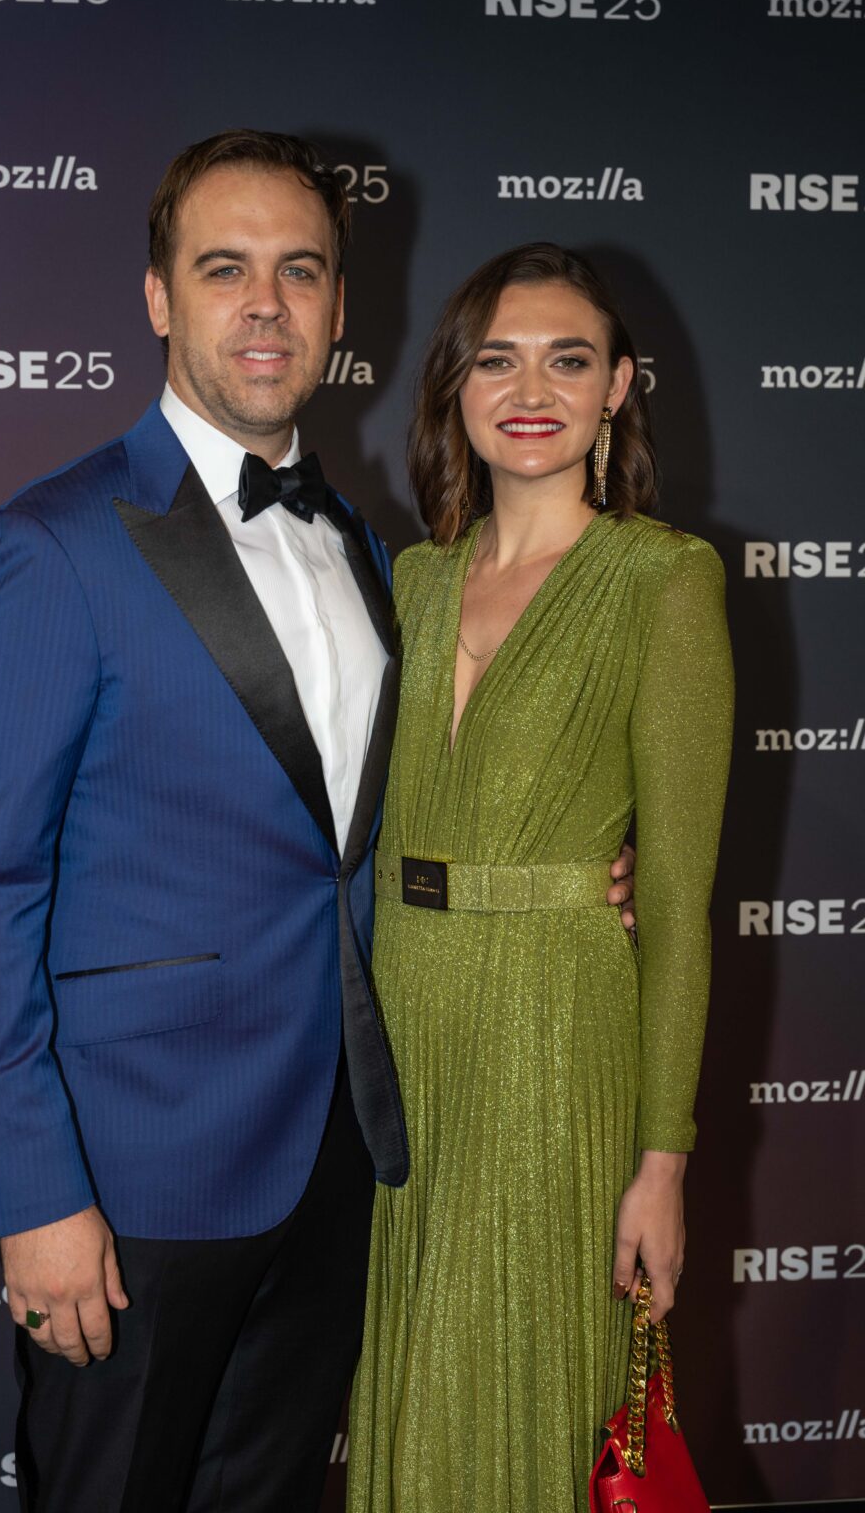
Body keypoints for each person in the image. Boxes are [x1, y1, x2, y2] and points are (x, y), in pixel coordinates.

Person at [0, 133, 635, 1513]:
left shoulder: (370, 548)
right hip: (130, 1184)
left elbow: (385, 817)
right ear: (157, 297)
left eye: (299, 271)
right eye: (223, 269)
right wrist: (32, 1195)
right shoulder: (51, 546)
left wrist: (579, 875)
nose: (265, 304)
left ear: (339, 308)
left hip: (339, 1161)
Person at [348, 243, 733, 1513]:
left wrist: (662, 1162)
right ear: (453, 387)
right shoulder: (410, 581)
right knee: (414, 1383)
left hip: (557, 1035)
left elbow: (674, 905)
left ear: (616, 387)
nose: (529, 390)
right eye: (495, 360)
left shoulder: (661, 580)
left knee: (533, 1388)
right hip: (405, 1033)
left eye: (567, 360)